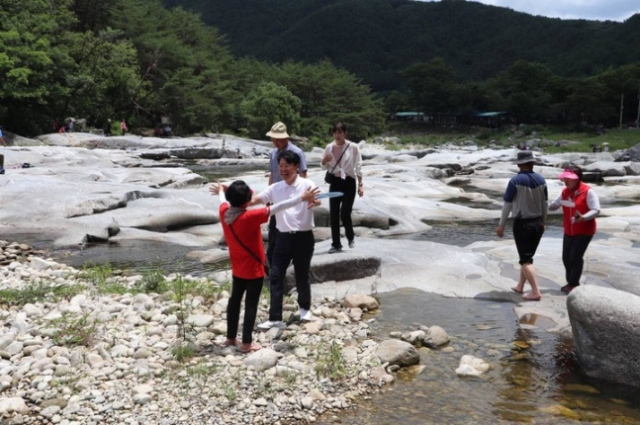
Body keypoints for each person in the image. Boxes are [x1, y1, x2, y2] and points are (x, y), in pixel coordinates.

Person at [210, 180, 319, 352]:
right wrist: (302, 198)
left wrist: (223, 191)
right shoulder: (250, 217)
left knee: (234, 301)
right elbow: (280, 206)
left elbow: (222, 199)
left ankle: (230, 338)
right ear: (247, 200)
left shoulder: (224, 212)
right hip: (254, 270)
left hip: (238, 268)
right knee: (251, 305)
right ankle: (246, 343)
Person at [254, 150, 318, 330]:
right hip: (282, 238)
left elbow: (316, 200)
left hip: (304, 238)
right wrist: (235, 199)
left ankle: (305, 309)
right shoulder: (275, 188)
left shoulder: (307, 184)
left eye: (287, 166)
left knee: (301, 275)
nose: (283, 170)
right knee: (275, 275)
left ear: (297, 167)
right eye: (280, 166)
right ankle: (275, 317)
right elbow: (257, 199)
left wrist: (314, 202)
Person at [496, 150, 548, 301]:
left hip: (523, 224)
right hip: (538, 222)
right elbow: (545, 204)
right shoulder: (541, 180)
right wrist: (544, 222)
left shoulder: (515, 181)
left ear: (519, 164)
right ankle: (520, 286)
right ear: (532, 163)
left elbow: (507, 204)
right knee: (527, 256)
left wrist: (501, 225)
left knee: (525, 260)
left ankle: (536, 292)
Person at [548, 166, 600, 294]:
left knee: (575, 257)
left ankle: (574, 284)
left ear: (578, 179)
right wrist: (542, 203)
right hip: (568, 230)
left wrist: (583, 218)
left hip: (584, 230)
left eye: (569, 179)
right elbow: (553, 207)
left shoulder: (587, 191)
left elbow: (596, 210)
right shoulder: (565, 191)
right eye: (565, 178)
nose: (566, 181)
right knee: (566, 257)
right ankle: (570, 282)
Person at [265, 122, 308, 271]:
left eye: (275, 139)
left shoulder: (297, 152)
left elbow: (303, 175)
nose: (274, 142)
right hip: (277, 197)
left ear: (283, 138)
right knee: (273, 231)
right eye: (273, 139)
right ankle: (270, 264)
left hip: (292, 197)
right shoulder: (273, 153)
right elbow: (272, 174)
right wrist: (268, 196)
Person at [321, 122, 364, 253]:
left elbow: (358, 166)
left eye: (340, 132)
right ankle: (336, 244)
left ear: (345, 133)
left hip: (349, 182)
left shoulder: (353, 147)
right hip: (335, 181)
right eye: (335, 132)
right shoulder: (329, 147)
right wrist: (324, 161)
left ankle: (350, 237)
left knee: (345, 212)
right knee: (333, 213)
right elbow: (323, 166)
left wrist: (360, 185)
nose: (337, 135)